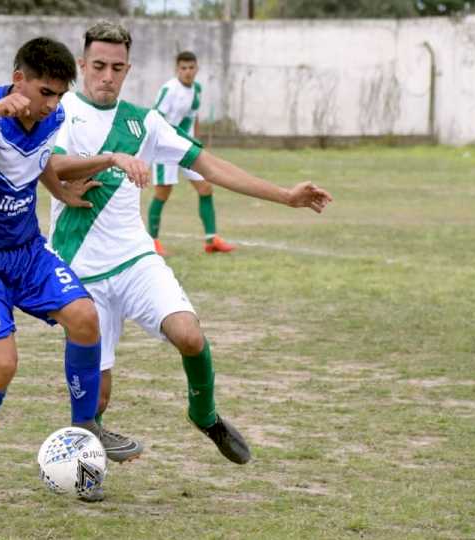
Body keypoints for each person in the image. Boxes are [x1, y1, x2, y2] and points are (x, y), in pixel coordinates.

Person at [49, 21, 333, 468]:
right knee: (97, 396)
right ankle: (83, 468)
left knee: (190, 335)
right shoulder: (61, 111)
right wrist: (111, 159)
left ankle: (205, 415)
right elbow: (53, 166)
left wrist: (285, 196)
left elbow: (210, 165)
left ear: (128, 70)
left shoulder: (144, 123)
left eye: (117, 68)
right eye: (98, 66)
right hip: (80, 270)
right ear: (82, 65)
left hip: (135, 260)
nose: (107, 76)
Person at [0, 36, 111, 528]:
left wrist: (60, 188)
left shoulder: (51, 117)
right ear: (19, 80)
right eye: (44, 92)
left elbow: (38, 162)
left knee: (84, 316)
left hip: (27, 251)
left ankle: (85, 427)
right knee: (3, 363)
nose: (51, 104)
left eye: (58, 95)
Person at [149, 50, 236, 255]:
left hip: (186, 147)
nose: (188, 72)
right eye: (183, 68)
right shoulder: (169, 89)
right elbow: (155, 118)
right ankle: (152, 242)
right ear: (177, 69)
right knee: (163, 192)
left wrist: (197, 141)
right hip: (164, 148)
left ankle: (211, 239)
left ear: (196, 69)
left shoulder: (196, 89)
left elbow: (193, 117)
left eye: (191, 68)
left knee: (206, 187)